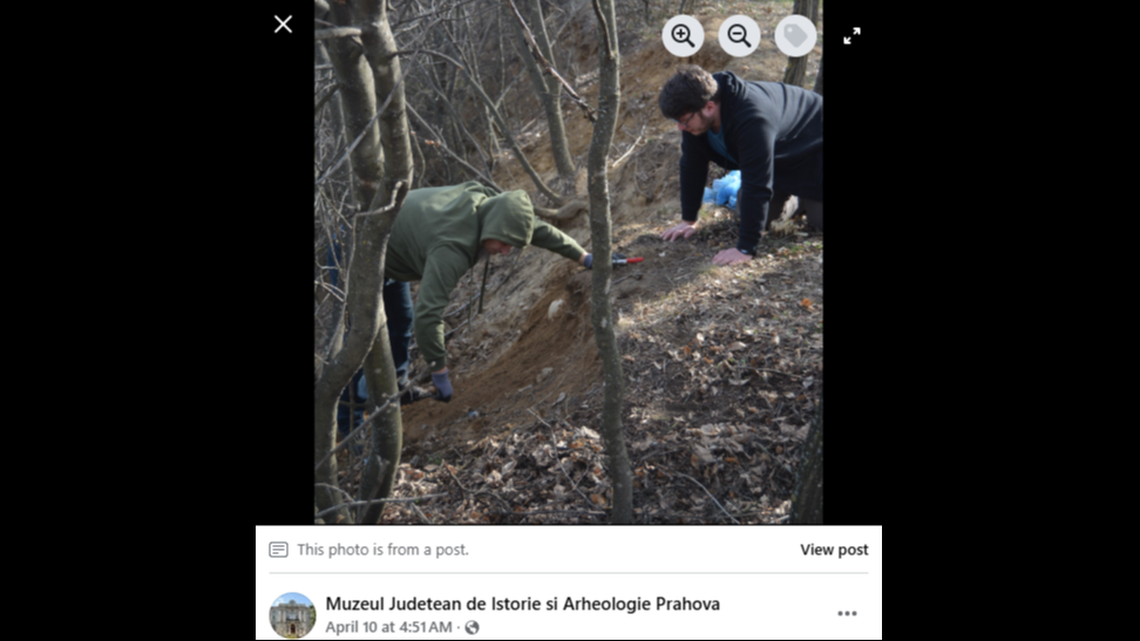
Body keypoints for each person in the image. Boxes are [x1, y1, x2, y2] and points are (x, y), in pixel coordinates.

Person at [363, 181, 592, 412]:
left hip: (390, 249)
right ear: (495, 228)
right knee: (362, 337)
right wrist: (439, 373)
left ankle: (397, 387)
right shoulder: (452, 247)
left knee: (400, 321)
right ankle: (351, 420)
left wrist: (584, 257)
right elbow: (428, 315)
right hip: (358, 253)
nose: (505, 252)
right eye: (504, 243)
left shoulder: (491, 206)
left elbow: (539, 230)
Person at [657, 65, 823, 265]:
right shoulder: (696, 111)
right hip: (780, 155)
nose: (680, 127)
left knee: (819, 220)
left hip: (814, 146)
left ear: (709, 107)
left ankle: (809, 197)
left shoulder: (752, 118)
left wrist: (745, 248)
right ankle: (798, 201)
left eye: (684, 121)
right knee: (746, 211)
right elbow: (692, 166)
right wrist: (689, 220)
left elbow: (756, 183)